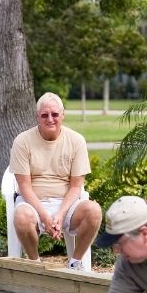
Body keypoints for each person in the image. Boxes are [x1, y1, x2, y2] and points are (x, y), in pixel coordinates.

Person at [8, 92, 102, 270]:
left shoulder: (76, 141)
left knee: (94, 211)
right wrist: (44, 216)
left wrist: (59, 215)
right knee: (21, 217)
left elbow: (76, 186)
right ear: (38, 117)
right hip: (33, 203)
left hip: (67, 204)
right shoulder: (22, 141)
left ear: (63, 115)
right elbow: (24, 187)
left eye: (55, 114)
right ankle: (36, 265)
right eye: (44, 115)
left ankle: (75, 262)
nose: (50, 119)